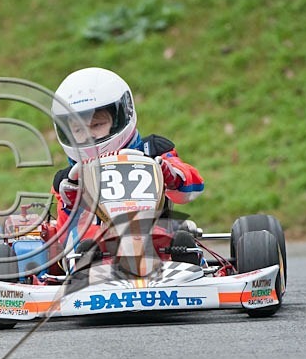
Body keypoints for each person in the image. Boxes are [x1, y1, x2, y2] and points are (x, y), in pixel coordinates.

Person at [50, 67, 205, 265]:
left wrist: (171, 175)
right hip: (97, 253)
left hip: (158, 245)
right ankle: (88, 270)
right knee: (87, 243)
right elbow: (65, 234)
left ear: (120, 117)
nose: (90, 136)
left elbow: (193, 188)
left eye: (97, 125)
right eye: (79, 130)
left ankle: (186, 261)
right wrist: (72, 202)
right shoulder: (66, 180)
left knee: (176, 235)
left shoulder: (155, 151)